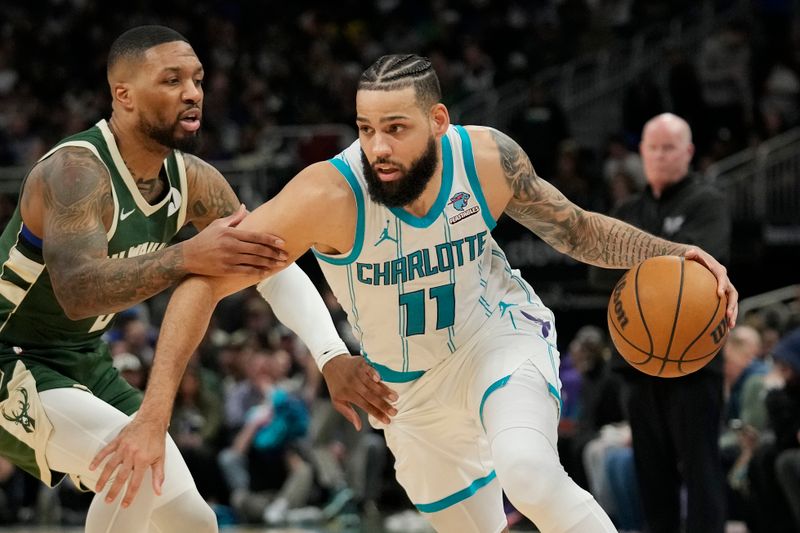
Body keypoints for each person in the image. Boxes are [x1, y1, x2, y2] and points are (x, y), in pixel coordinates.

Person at [101, 55, 738, 533]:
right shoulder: (328, 194)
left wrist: (668, 253)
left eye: (396, 128)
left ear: (438, 121)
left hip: (499, 338)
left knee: (530, 472)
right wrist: (159, 414)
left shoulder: (487, 158)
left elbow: (576, 229)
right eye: (366, 127)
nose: (377, 146)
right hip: (407, 396)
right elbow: (204, 284)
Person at [0, 25, 353, 533]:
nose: (192, 92)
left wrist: (330, 354)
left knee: (193, 521)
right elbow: (77, 292)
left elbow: (271, 268)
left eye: (197, 79)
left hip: (84, 361)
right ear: (123, 95)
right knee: (135, 472)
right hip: (10, 361)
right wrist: (186, 255)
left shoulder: (194, 180)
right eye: (171, 80)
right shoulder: (76, 171)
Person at [595, 112, 732, 533]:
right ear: (641, 153)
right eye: (652, 147)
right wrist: (663, 264)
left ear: (688, 152)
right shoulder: (627, 208)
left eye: (669, 147)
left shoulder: (707, 201)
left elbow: (701, 264)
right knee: (651, 480)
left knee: (701, 473)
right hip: (637, 363)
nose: (659, 155)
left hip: (694, 363)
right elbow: (597, 271)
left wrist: (638, 265)